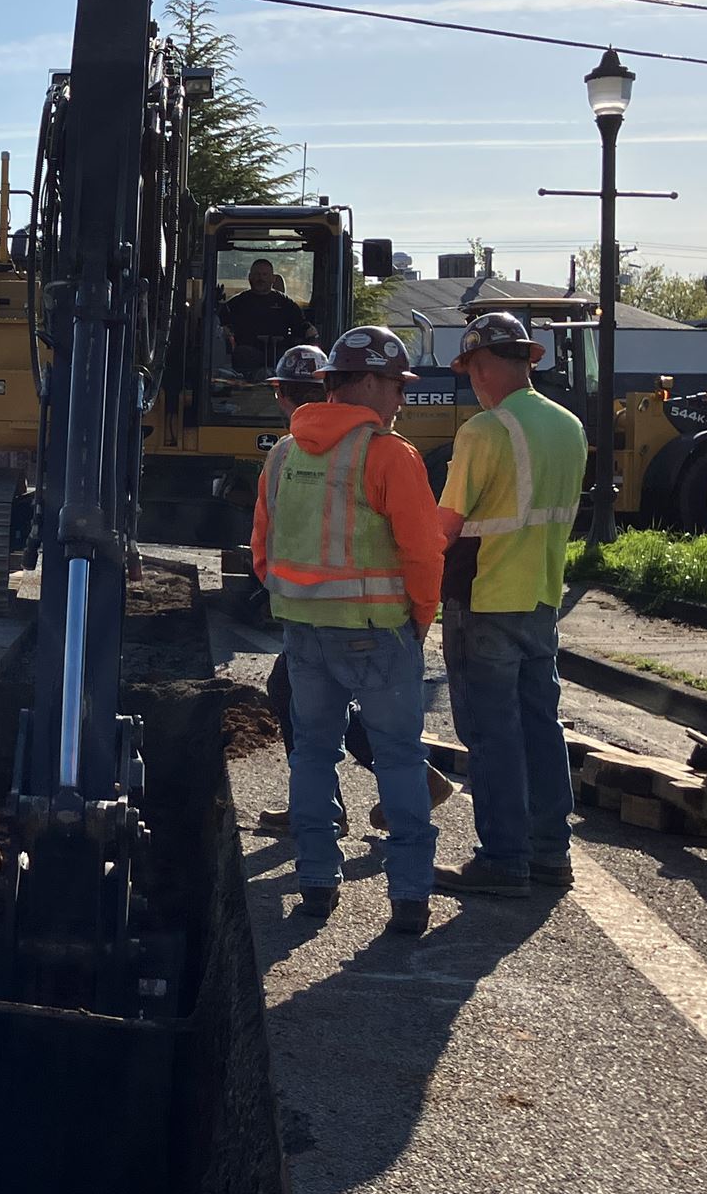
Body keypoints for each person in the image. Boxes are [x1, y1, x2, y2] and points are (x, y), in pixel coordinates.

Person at [253, 325, 446, 932]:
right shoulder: (389, 454)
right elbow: (423, 552)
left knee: (312, 756)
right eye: (395, 384)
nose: (401, 398)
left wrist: (296, 598)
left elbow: (263, 548)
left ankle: (316, 883)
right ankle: (410, 896)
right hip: (378, 632)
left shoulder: (283, 453)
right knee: (399, 760)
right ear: (362, 383)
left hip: (304, 632)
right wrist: (420, 616)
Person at [429, 313, 589, 899]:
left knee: (491, 734)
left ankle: (502, 859)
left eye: (471, 368)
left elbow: (444, 528)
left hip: (485, 597)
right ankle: (550, 854)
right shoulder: (569, 426)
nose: (472, 380)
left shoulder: (483, 432)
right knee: (540, 728)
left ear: (487, 364)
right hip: (542, 595)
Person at [223, 258, 317, 376]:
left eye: (265, 275)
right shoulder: (237, 303)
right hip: (248, 354)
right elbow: (222, 322)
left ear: (273, 278)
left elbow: (300, 323)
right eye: (257, 275)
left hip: (279, 353)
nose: (260, 279)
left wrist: (308, 329)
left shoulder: (285, 303)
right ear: (250, 277)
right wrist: (225, 329)